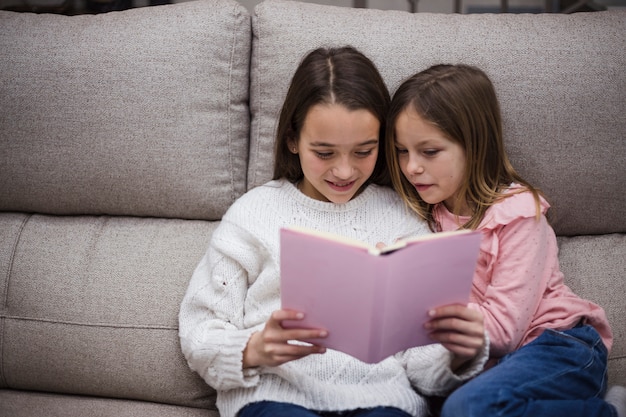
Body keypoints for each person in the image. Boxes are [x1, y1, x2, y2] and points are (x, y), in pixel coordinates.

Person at [178, 47, 489, 417]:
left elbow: (423, 369)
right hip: (276, 394)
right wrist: (254, 348)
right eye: (324, 153)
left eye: (364, 151)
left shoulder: (403, 217)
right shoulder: (252, 213)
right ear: (293, 140)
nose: (344, 172)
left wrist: (457, 352)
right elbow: (200, 328)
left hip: (382, 398)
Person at [385, 63, 626, 417]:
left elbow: (504, 330)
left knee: (468, 406)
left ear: (475, 146)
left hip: (560, 345)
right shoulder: (426, 216)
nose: (411, 167)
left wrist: (430, 314)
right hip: (493, 365)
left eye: (429, 151)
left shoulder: (518, 212)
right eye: (402, 151)